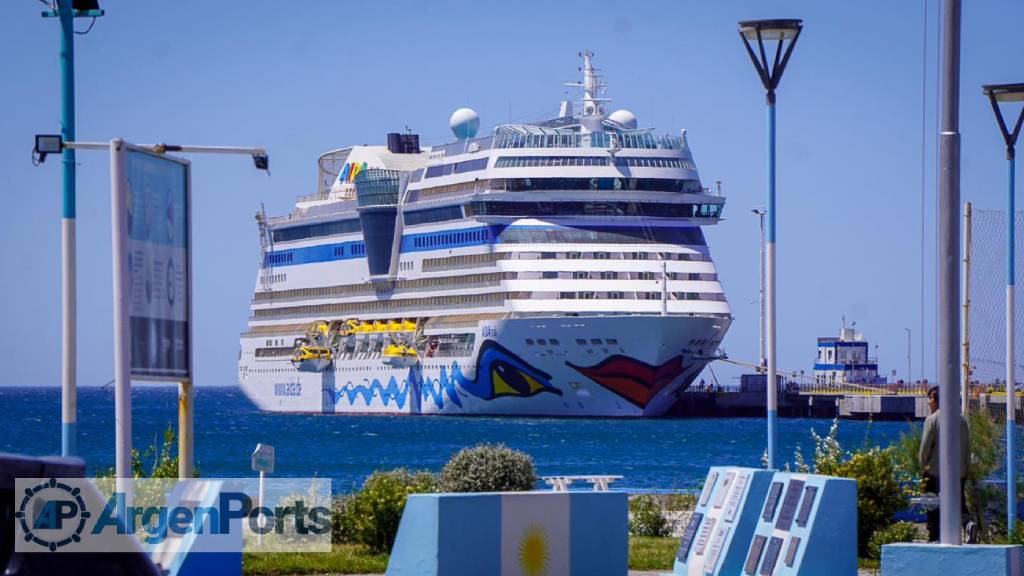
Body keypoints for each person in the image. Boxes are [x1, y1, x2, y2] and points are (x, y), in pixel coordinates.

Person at [918, 385, 978, 543]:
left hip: (934, 472)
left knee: (931, 504)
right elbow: (967, 447)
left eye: (930, 399)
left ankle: (934, 537)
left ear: (936, 400)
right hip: (958, 472)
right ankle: (968, 524)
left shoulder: (932, 420)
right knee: (958, 503)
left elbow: (925, 448)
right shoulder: (961, 420)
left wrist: (922, 466)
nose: (929, 403)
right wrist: (965, 470)